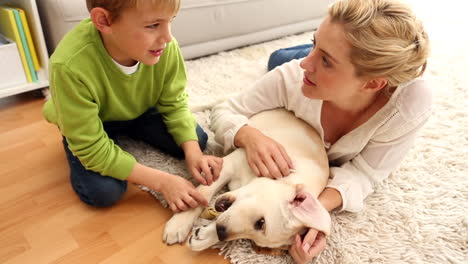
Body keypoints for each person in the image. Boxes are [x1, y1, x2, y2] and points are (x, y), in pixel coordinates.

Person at [210, 0, 431, 263]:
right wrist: (249, 135)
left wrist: (314, 214)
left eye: (325, 60)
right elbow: (224, 110)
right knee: (279, 60)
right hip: (298, 72)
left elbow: (366, 173)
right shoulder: (292, 77)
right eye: (315, 43)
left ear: (373, 83)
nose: (307, 64)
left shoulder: (408, 107)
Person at [42, 0, 223, 213]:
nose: (167, 38)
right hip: (96, 118)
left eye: (170, 21)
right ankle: (71, 130)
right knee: (103, 191)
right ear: (104, 20)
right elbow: (91, 149)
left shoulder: (165, 47)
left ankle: (132, 134)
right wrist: (163, 182)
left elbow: (174, 102)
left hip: (142, 110)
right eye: (153, 25)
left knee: (196, 141)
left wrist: (194, 153)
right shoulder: (68, 66)